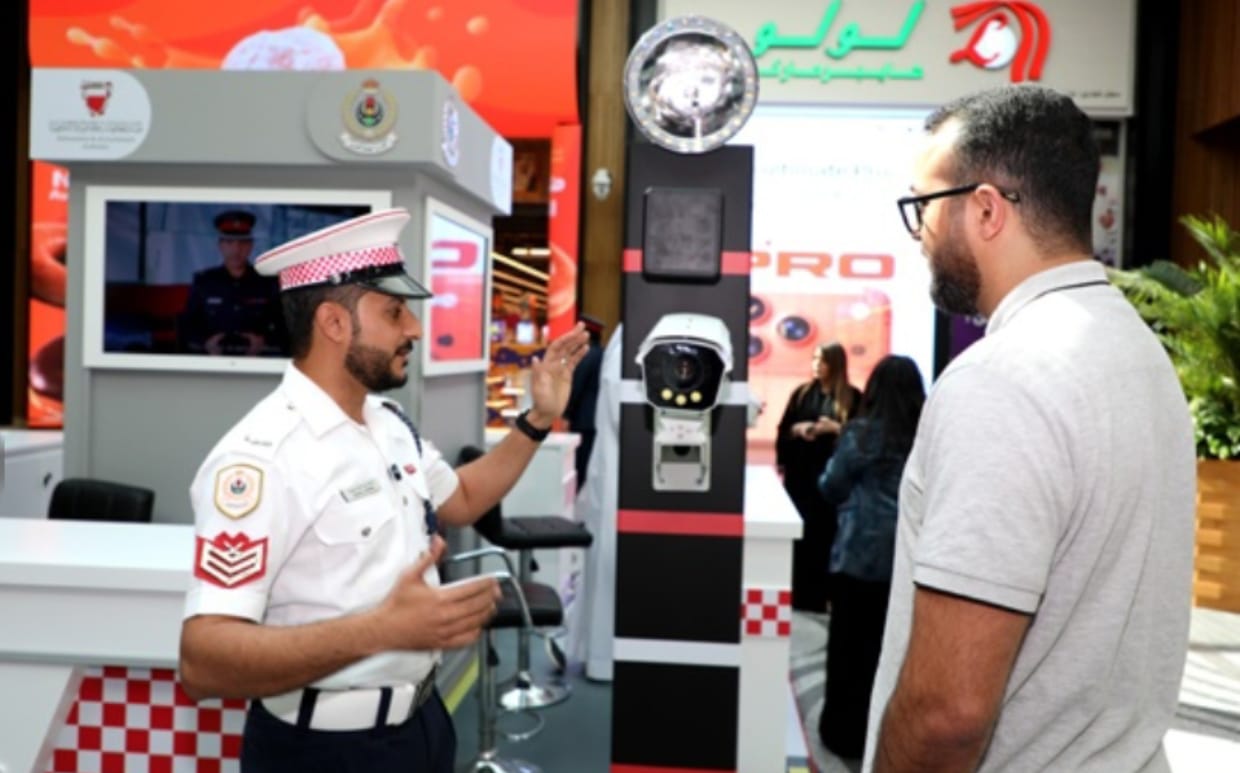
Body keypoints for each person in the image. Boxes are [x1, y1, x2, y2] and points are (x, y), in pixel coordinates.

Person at [177, 207, 589, 773]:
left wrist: (537, 419)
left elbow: (463, 499)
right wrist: (383, 630)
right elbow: (204, 662)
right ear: (333, 323)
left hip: (422, 726)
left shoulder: (388, 424)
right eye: (394, 312)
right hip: (324, 753)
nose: (414, 328)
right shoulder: (261, 458)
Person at [866, 85, 1196, 772]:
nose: (919, 235)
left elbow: (947, 713)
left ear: (986, 209)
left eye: (923, 207)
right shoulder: (1140, 353)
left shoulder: (1002, 380)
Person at [815, 354, 925, 760]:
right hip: (907, 560)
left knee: (848, 649)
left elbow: (831, 485)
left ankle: (842, 733)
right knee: (890, 651)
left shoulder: (861, 434)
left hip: (857, 558)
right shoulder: (925, 437)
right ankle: (882, 735)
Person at [776, 341, 860, 612]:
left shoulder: (852, 398)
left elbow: (860, 439)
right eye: (814, 359)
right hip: (801, 479)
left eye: (822, 361)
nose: (816, 366)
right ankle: (799, 595)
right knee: (802, 538)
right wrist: (798, 430)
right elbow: (784, 430)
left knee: (826, 538)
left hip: (832, 483)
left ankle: (823, 597)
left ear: (835, 364)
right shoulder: (801, 395)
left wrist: (836, 429)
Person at [180, 209, 285, 356]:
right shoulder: (204, 282)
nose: (236, 249)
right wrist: (206, 342)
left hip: (257, 360)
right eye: (229, 242)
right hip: (212, 360)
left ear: (251, 246)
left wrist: (264, 341)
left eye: (242, 243)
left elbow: (284, 326)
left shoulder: (267, 282)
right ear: (220, 245)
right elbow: (187, 326)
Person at [563, 314, 605, 491]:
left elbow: (576, 387)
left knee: (579, 466)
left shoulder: (587, 355)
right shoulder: (602, 353)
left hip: (583, 419)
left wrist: (566, 413)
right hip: (595, 418)